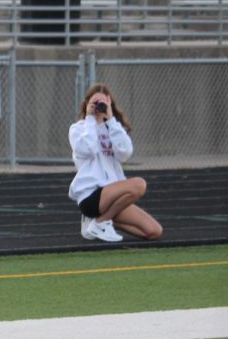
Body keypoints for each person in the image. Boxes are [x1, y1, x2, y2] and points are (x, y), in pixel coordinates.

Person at [68, 83, 162, 243]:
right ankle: (100, 222)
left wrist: (110, 119)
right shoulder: (78, 129)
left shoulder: (113, 128)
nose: (99, 106)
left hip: (113, 197)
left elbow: (125, 153)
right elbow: (88, 148)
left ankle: (102, 221)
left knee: (154, 231)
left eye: (103, 103)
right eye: (95, 102)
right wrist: (91, 118)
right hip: (91, 195)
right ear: (87, 103)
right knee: (139, 185)